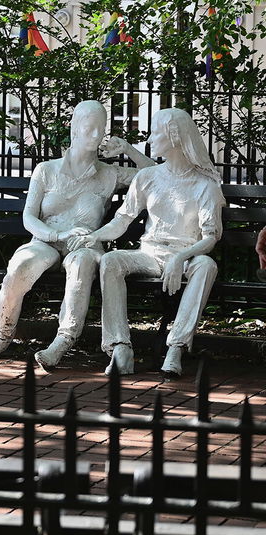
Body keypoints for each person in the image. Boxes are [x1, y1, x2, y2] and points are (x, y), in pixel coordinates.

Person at [0, 101, 155, 369]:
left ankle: (63, 340)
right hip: (46, 240)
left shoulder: (109, 174)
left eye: (101, 129)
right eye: (90, 128)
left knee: (81, 263)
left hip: (85, 245)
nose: (96, 135)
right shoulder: (46, 170)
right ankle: (2, 332)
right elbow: (28, 217)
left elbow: (155, 175)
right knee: (21, 266)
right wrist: (56, 233)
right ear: (74, 129)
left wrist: (128, 149)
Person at [85, 109, 225, 378]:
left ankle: (176, 347)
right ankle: (120, 348)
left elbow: (211, 237)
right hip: (150, 253)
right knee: (111, 260)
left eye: (155, 133)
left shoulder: (205, 185)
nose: (150, 139)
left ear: (175, 137)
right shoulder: (148, 177)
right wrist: (96, 235)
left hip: (187, 257)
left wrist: (180, 257)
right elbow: (122, 220)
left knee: (207, 266)